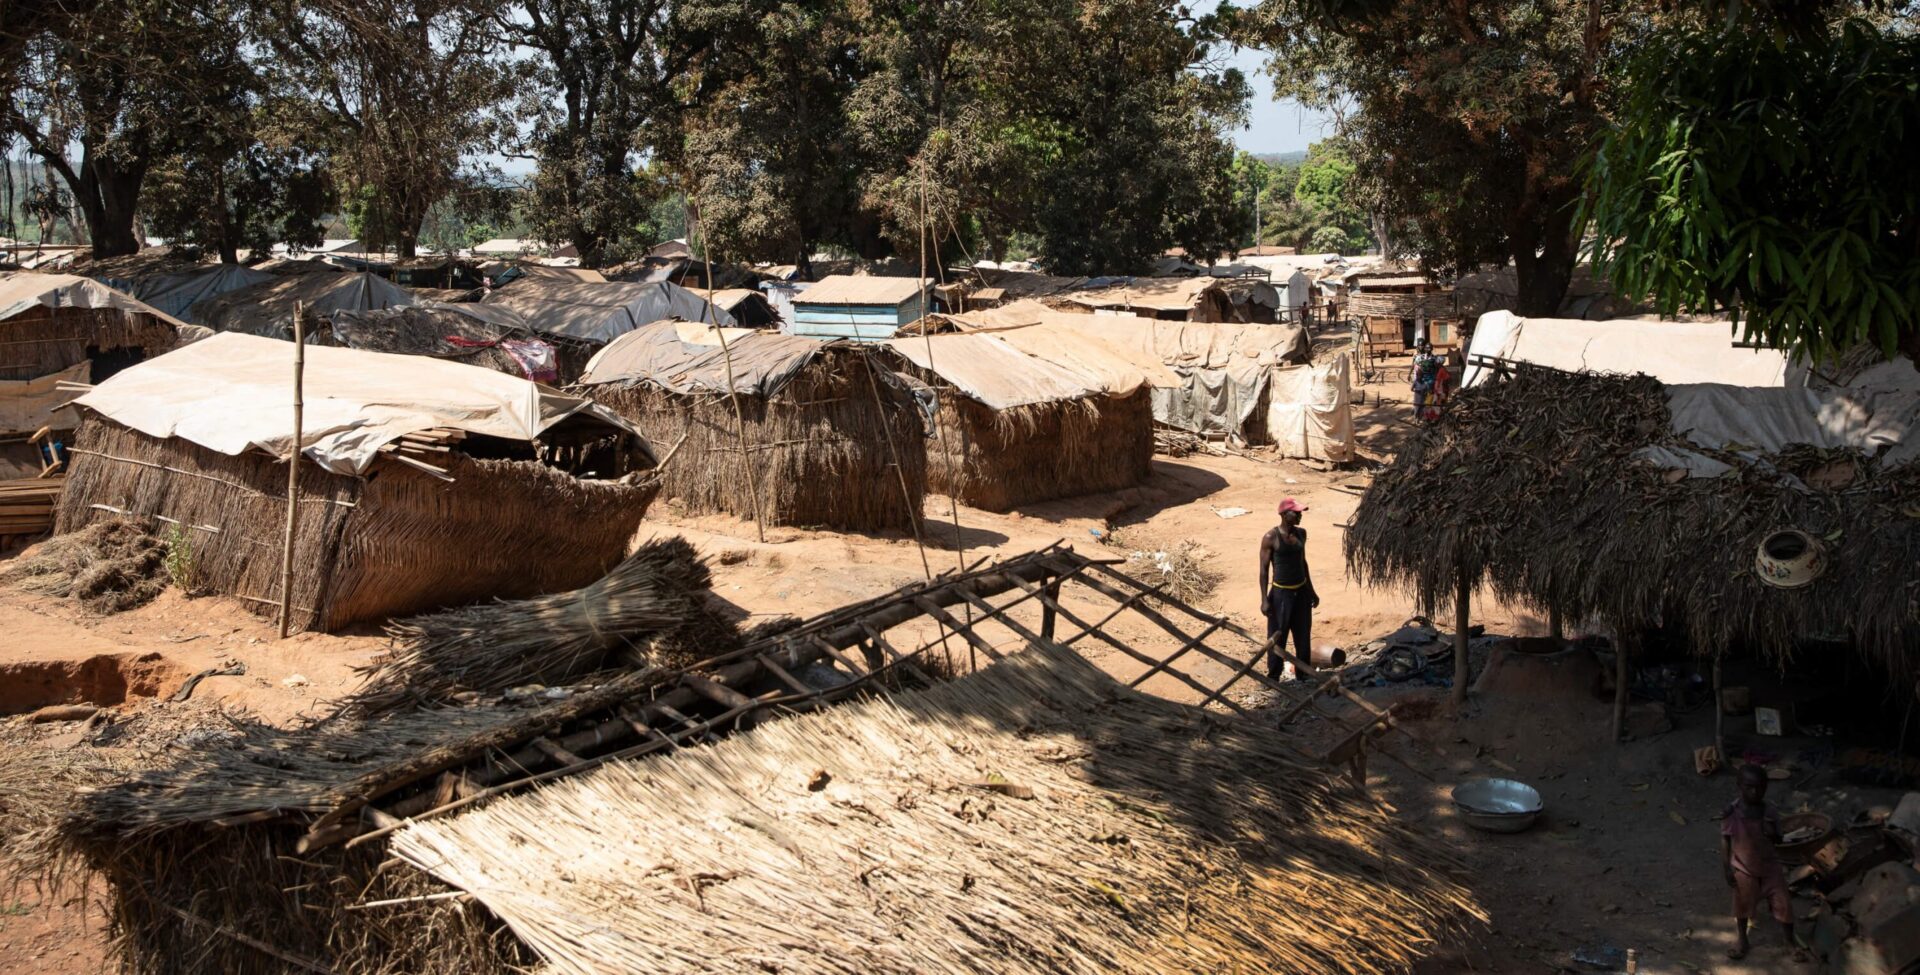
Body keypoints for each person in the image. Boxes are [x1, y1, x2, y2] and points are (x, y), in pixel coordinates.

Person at [1721, 765, 1807, 962]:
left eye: (1760, 788)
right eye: (1749, 787)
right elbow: (1725, 840)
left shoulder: (1770, 812)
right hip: (1743, 868)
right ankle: (1742, 940)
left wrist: (1773, 833)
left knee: (1784, 904)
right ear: (1739, 786)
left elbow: (1779, 839)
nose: (1755, 792)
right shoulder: (1731, 813)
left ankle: (1789, 941)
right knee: (1742, 905)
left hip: (1770, 868)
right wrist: (1726, 868)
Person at [1258, 499, 1318, 680]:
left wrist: (1311, 591)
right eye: (1296, 513)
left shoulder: (1301, 534)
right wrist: (1264, 600)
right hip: (1281, 595)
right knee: (1278, 637)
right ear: (1284, 515)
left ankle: (1304, 676)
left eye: (1300, 513)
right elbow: (1263, 570)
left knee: (1303, 636)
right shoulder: (1271, 537)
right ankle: (1274, 676)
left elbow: (1303, 563)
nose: (1300, 516)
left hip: (1301, 593)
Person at [1408, 338, 1442, 421]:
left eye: (1429, 348)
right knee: (1420, 399)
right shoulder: (1420, 357)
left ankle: (1426, 416)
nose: (1428, 349)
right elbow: (1415, 365)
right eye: (1426, 348)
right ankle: (1418, 415)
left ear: (1432, 349)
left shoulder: (1434, 358)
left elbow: (1438, 367)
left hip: (1431, 381)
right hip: (1421, 381)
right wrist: (1412, 374)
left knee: (1429, 399)